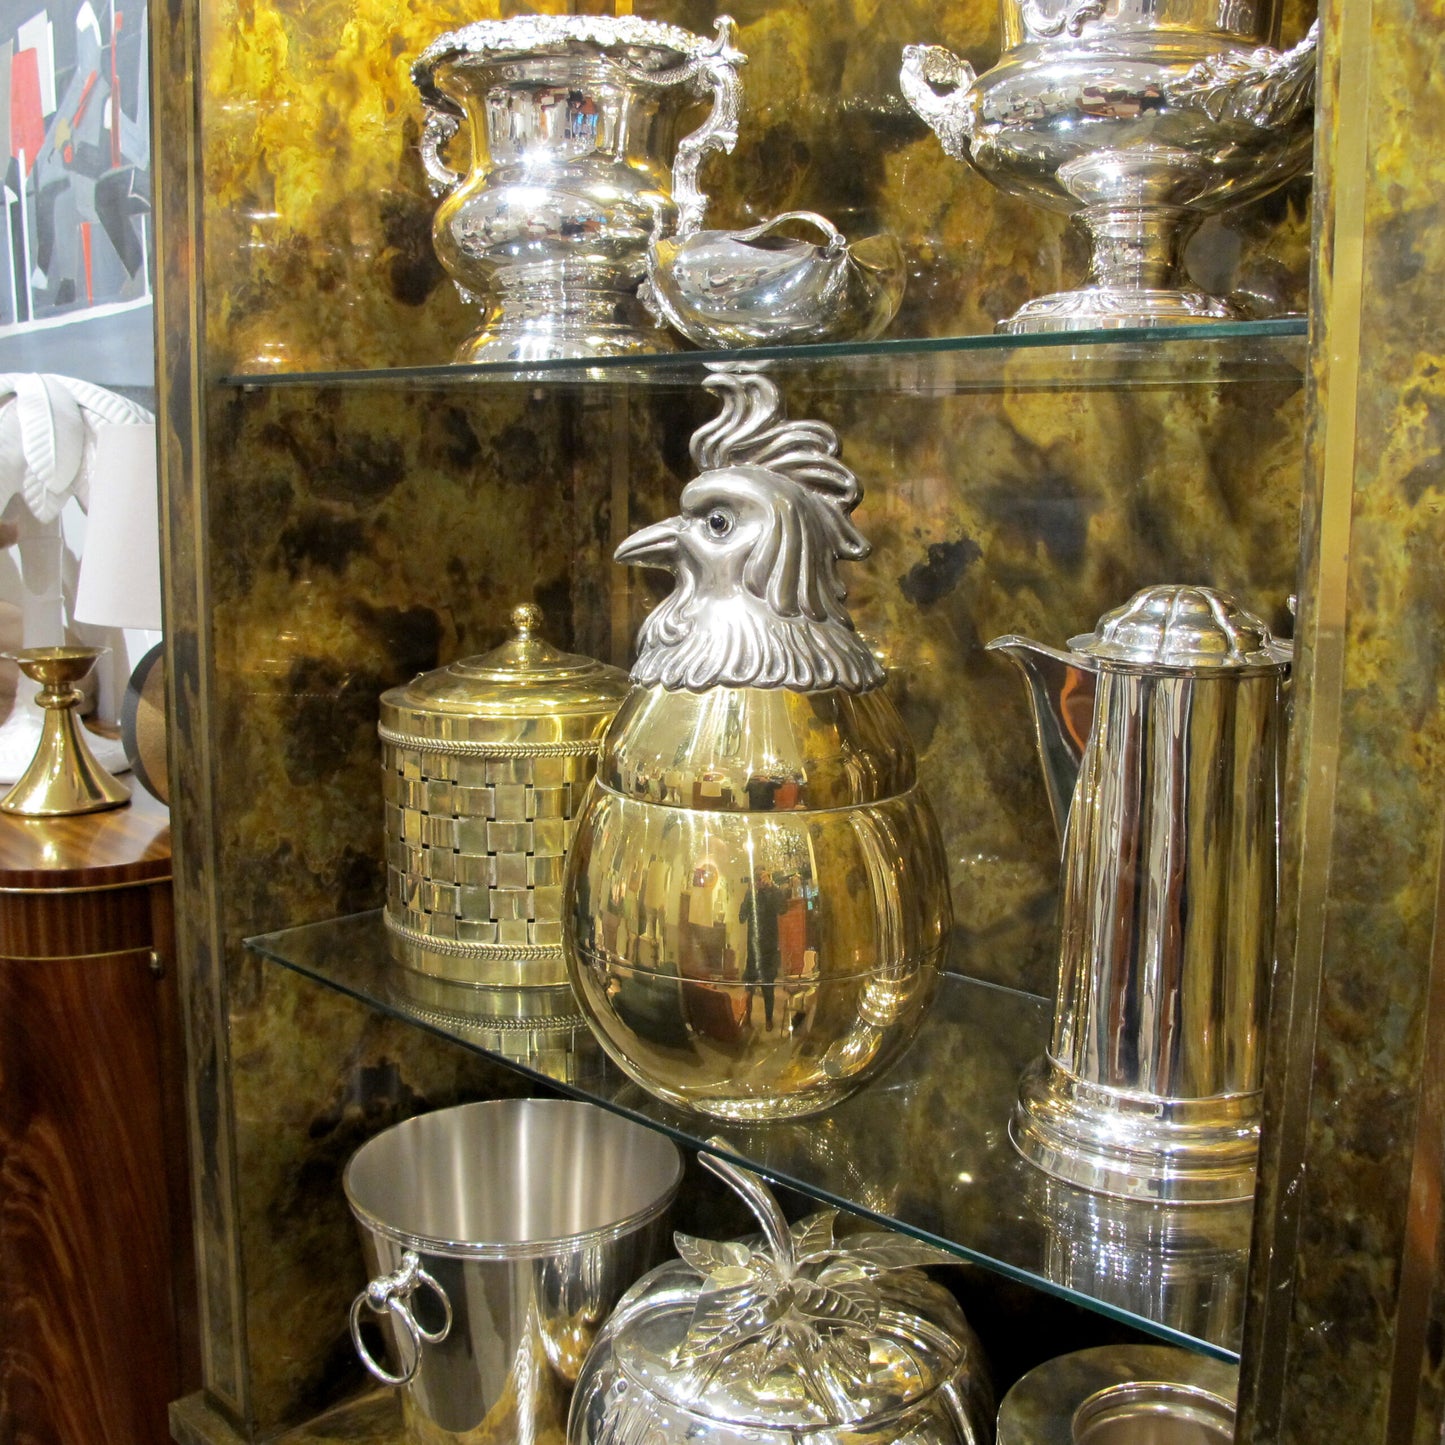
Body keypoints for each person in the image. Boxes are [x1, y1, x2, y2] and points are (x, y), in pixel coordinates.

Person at [739, 868, 786, 1030]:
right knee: (749, 985)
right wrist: (749, 893)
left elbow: (783, 909)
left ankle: (768, 1019)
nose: (760, 881)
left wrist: (772, 887)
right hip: (753, 948)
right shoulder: (750, 895)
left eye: (762, 878)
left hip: (769, 948)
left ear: (767, 878)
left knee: (768, 986)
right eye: (757, 878)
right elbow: (741, 917)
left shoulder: (772, 892)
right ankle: (747, 1017)